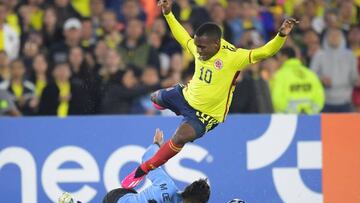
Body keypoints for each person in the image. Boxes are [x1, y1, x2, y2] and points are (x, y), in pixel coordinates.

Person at [121, 0, 298, 189]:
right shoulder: (199, 47)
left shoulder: (233, 57)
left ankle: (143, 169)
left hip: (206, 115)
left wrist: (281, 35)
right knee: (154, 97)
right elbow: (183, 38)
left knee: (180, 137)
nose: (198, 50)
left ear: (216, 44)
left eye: (203, 47)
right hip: (187, 95)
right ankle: (165, 101)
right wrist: (168, 14)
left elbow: (264, 52)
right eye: (197, 46)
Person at [58, 129, 211, 203]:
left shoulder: (167, 184)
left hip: (121, 195)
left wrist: (156, 144)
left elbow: (147, 159)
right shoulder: (167, 187)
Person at [310, 28, 359, 112]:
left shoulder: (350, 55)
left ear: (342, 38)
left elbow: (354, 76)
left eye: (337, 36)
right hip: (324, 100)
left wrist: (356, 80)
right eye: (331, 36)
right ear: (326, 38)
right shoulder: (319, 55)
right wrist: (320, 79)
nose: (334, 38)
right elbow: (311, 75)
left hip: (345, 101)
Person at [270, 47, 325, 114]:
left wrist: (293, 112)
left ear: (284, 57)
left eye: (278, 58)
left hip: (287, 119)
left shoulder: (279, 76)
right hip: (310, 119)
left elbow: (276, 99)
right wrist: (310, 112)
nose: (277, 61)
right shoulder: (310, 74)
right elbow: (320, 96)